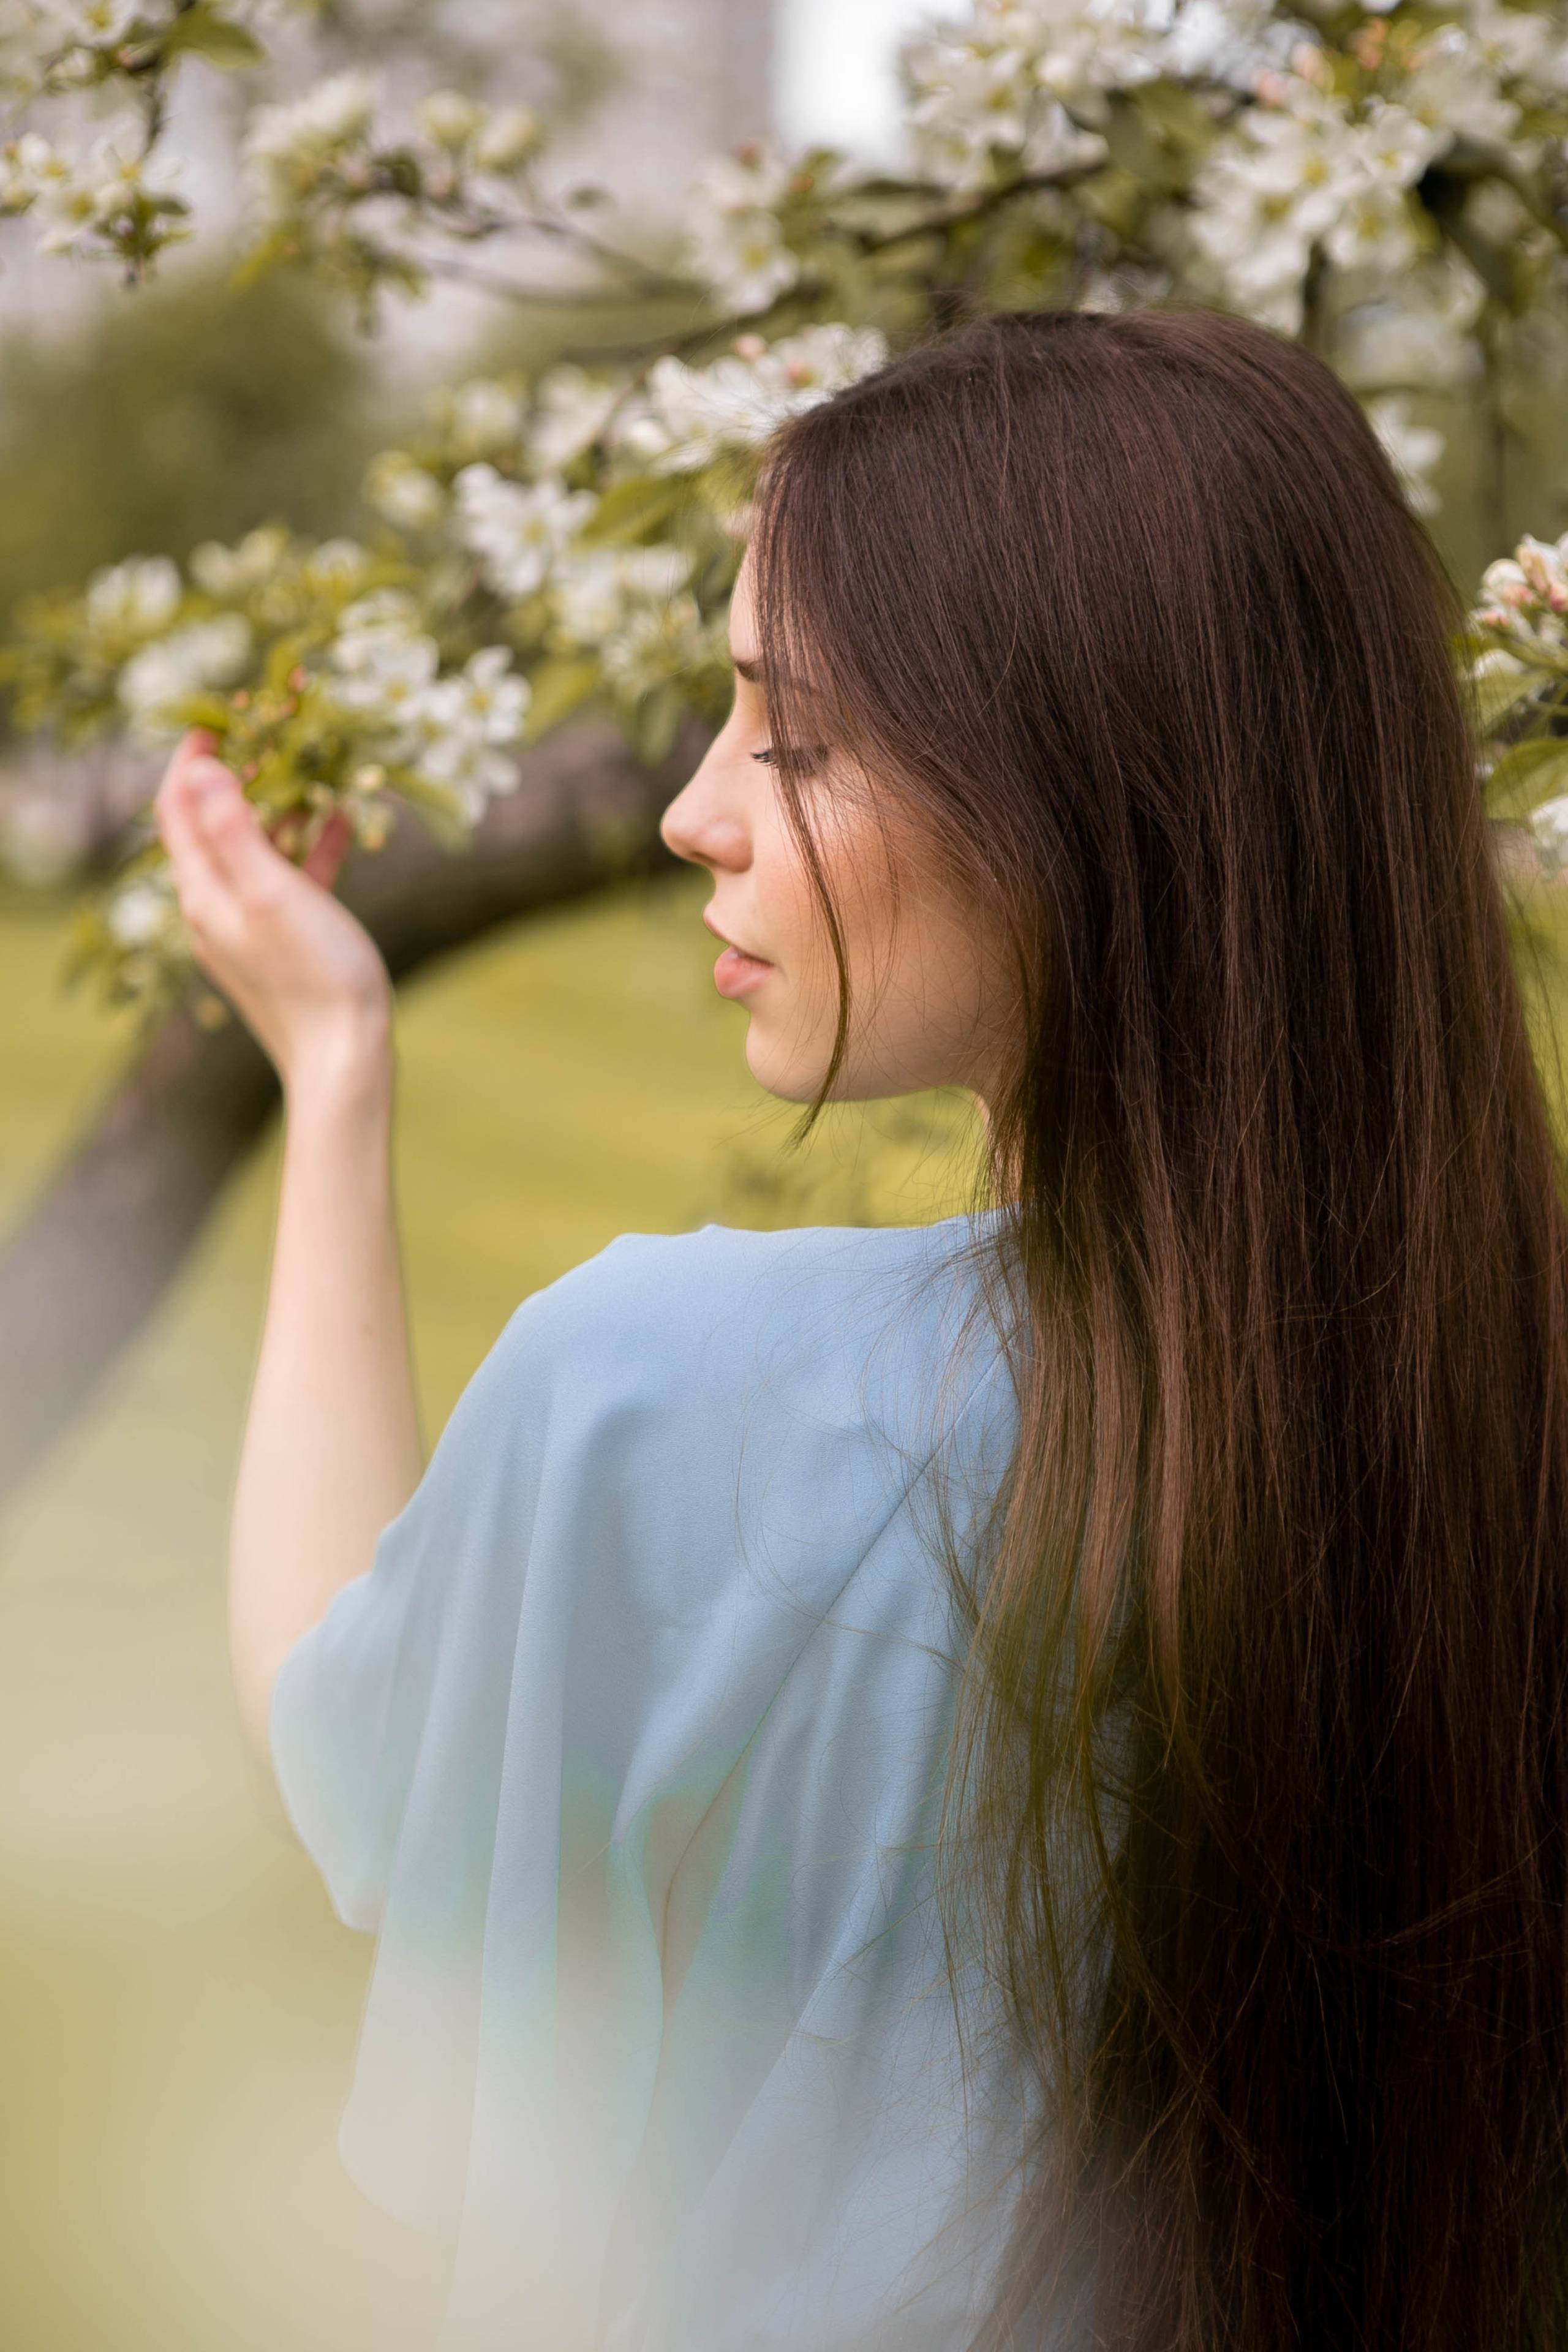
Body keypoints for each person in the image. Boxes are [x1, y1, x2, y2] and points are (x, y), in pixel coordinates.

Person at [154, 307, 1568, 2352]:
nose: (693, 813)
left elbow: (351, 1752)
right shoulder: (1491, 1423)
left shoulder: (667, 1396)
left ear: (1082, 785)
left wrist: (332, 1059)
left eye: (791, 734)